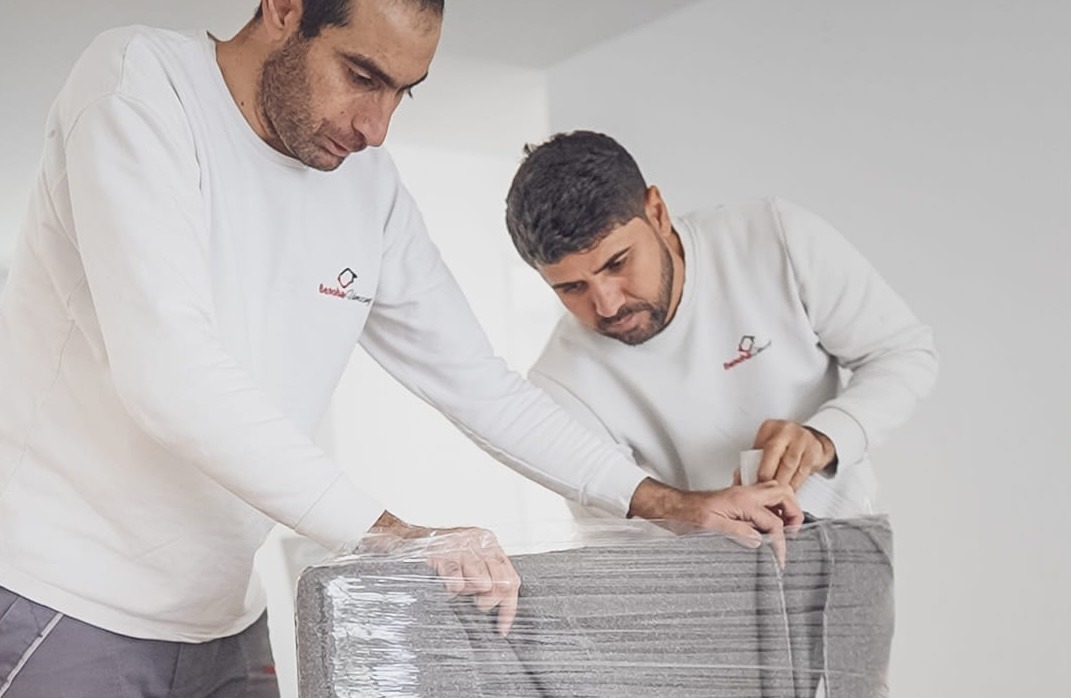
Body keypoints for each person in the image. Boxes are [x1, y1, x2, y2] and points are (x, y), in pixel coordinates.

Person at [0, 2, 803, 695]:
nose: (375, 127)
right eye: (361, 75)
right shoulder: (139, 87)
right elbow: (171, 375)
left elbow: (480, 385)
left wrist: (672, 505)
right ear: (284, 9)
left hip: (224, 616)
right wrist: (391, 536)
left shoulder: (367, 186)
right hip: (62, 596)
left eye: (401, 92)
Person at [505, 130, 939, 524]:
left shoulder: (774, 238)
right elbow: (612, 534)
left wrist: (827, 437)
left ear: (657, 212)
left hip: (844, 543)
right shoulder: (562, 382)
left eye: (617, 263)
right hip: (698, 576)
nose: (607, 303)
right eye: (571, 288)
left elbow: (902, 353)